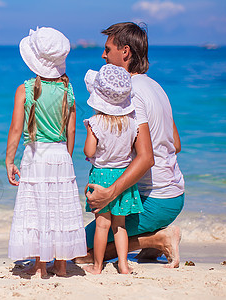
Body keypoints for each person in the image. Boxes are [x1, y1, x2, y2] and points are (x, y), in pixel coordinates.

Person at [77, 22, 185, 268]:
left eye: (107, 49)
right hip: (174, 195)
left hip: (153, 199)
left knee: (76, 251)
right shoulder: (156, 87)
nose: (103, 55)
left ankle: (158, 239)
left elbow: (147, 157)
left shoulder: (130, 94)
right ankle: (149, 241)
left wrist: (109, 193)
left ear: (125, 52)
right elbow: (175, 144)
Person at [6, 27, 87, 277]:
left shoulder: (26, 89)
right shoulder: (68, 90)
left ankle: (41, 265)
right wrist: (67, 156)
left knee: (39, 206)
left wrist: (9, 160)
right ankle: (61, 265)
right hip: (60, 153)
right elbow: (71, 131)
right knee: (59, 209)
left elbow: (17, 128)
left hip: (35, 154)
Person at [82, 64, 143, 274]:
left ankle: (98, 266)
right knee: (120, 225)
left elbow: (89, 151)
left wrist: (88, 137)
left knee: (102, 225)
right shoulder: (132, 122)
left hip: (101, 176)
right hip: (123, 177)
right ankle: (124, 265)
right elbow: (135, 150)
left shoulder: (95, 122)